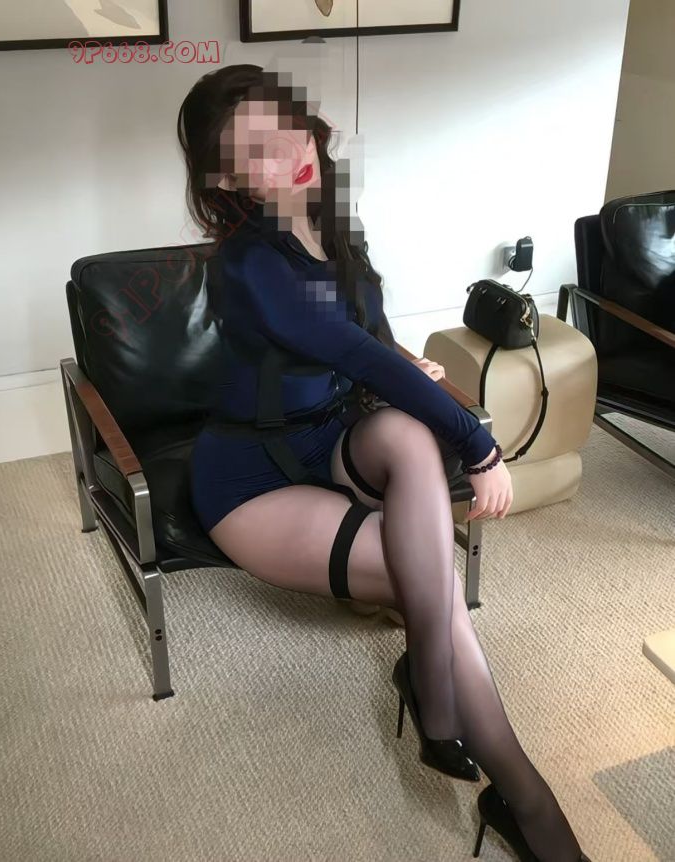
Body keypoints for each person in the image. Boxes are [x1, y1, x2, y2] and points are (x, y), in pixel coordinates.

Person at [176, 64, 590, 862]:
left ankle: (430, 691)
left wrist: (405, 360)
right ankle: (528, 805)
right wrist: (479, 444)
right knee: (431, 583)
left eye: (283, 123)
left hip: (326, 434)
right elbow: (352, 349)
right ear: (226, 178)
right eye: (254, 149)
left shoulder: (331, 226)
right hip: (250, 480)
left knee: (404, 433)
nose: (287, 149)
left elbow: (368, 336)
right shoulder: (247, 264)